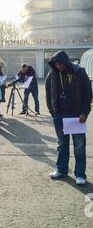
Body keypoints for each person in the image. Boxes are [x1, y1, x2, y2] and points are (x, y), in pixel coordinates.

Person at [46, 51, 92, 185]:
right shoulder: (52, 73)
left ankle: (80, 174)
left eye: (60, 63)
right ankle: (61, 170)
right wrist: (53, 112)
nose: (58, 66)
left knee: (79, 145)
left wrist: (85, 112)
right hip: (60, 115)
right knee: (62, 144)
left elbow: (87, 93)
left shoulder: (79, 72)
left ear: (66, 61)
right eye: (56, 64)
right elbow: (49, 93)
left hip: (76, 115)